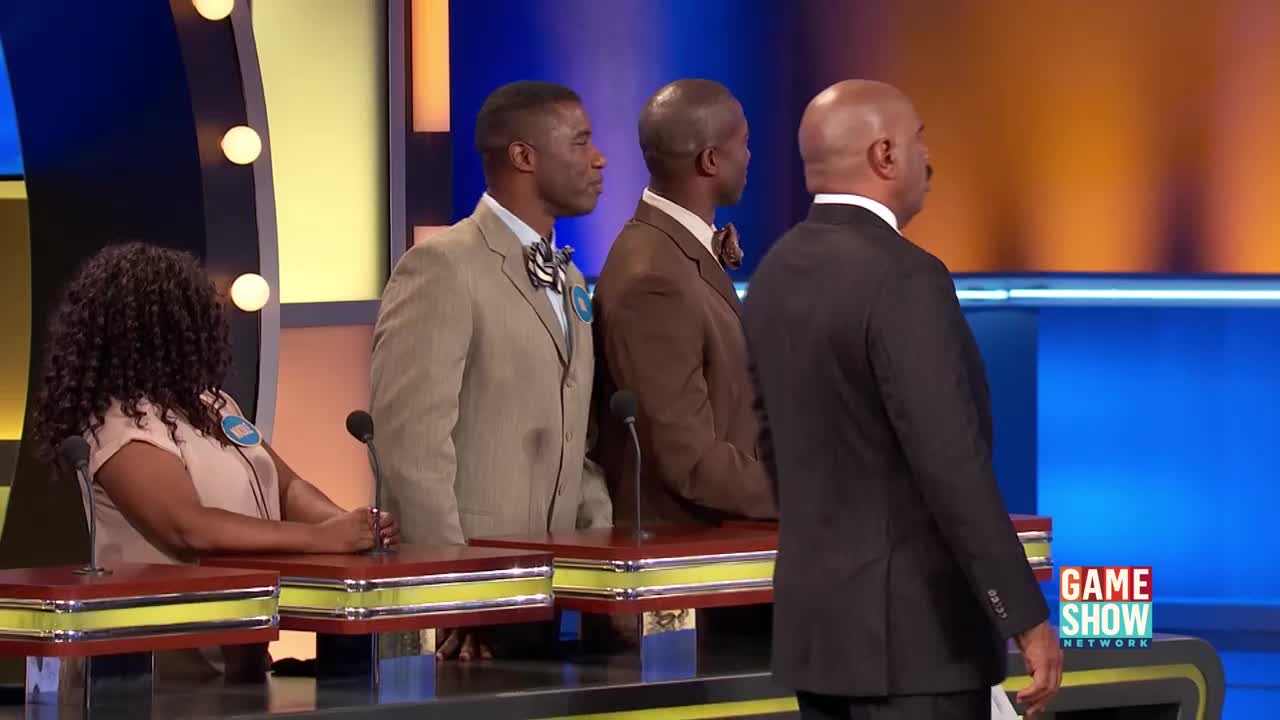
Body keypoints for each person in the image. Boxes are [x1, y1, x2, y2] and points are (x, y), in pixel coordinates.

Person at [742, 80, 1062, 718]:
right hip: (917, 648)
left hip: (821, 639)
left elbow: (771, 443)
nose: (929, 159)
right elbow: (951, 466)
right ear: (885, 155)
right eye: (920, 140)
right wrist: (1024, 616)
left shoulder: (775, 271)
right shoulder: (906, 277)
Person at [30, 241, 398, 682]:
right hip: (156, 674)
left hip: (240, 650)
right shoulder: (117, 425)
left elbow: (286, 487)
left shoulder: (215, 405)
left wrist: (352, 526)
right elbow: (187, 527)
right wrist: (320, 538)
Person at [370, 81, 613, 661]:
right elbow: (412, 448)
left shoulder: (573, 280)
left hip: (550, 595)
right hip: (469, 615)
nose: (599, 158)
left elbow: (575, 438)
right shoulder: (442, 267)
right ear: (523, 156)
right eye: (580, 142)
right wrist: (460, 592)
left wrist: (600, 546)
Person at [592, 79, 776, 529]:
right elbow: (689, 460)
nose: (750, 156)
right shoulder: (652, 281)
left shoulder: (671, 251)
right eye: (744, 143)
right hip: (688, 558)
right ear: (710, 159)